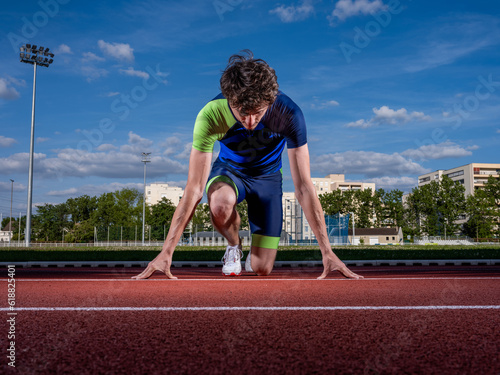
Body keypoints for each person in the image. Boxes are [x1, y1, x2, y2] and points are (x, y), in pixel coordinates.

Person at [133, 50, 362, 280]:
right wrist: (166, 251)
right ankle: (234, 245)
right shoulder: (210, 115)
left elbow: (303, 187)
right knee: (220, 203)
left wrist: (327, 251)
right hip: (230, 171)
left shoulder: (289, 114)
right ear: (229, 98)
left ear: (270, 101)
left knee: (262, 268)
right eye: (242, 112)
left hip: (268, 179)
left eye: (258, 112)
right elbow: (193, 189)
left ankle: (256, 255)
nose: (250, 122)